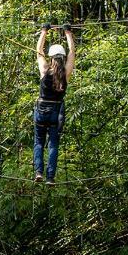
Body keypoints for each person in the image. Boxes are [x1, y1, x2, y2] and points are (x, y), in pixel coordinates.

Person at [33, 24, 75, 186]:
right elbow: (72, 52)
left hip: (41, 110)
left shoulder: (44, 69)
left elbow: (39, 50)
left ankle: (38, 172)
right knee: (53, 145)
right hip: (56, 113)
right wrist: (68, 33)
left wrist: (44, 31)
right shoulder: (66, 72)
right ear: (62, 58)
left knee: (38, 142)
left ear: (51, 57)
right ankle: (50, 177)